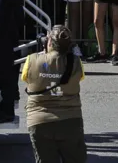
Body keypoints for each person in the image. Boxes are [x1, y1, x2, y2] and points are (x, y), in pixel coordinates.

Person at [21, 24, 87, 163]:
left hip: (39, 121)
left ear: (49, 42)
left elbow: (26, 78)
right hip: (71, 120)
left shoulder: (31, 60)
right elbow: (79, 78)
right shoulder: (76, 62)